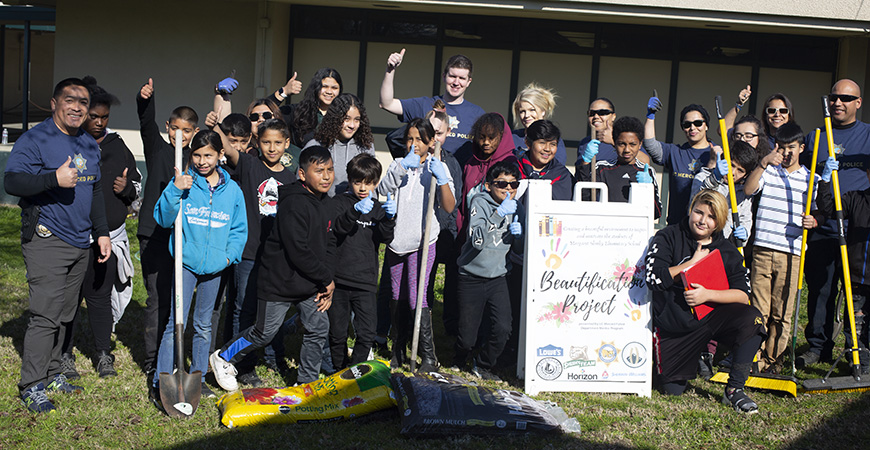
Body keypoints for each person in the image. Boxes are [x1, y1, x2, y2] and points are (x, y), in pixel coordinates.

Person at [5, 78, 111, 413]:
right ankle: (31, 384)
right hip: (47, 238)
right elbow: (12, 180)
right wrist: (53, 179)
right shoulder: (36, 139)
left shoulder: (89, 143)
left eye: (83, 101)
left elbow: (93, 190)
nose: (78, 107)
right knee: (46, 314)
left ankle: (53, 373)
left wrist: (102, 231)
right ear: (54, 103)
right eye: (70, 100)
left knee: (66, 313)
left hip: (81, 240)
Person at [211, 146, 337, 390]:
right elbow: (297, 249)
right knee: (264, 332)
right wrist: (324, 278)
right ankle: (223, 357)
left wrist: (327, 278)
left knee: (318, 328)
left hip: (310, 282)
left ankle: (306, 383)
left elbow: (329, 244)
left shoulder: (326, 205)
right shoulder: (294, 204)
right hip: (279, 282)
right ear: (301, 174)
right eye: (318, 171)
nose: (326, 176)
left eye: (330, 170)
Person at [645, 189, 764, 414]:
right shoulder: (668, 236)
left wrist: (707, 295)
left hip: (712, 319)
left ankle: (735, 390)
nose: (703, 220)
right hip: (676, 327)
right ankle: (686, 358)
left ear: (719, 222)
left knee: (753, 318)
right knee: (672, 390)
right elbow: (652, 278)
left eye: (711, 217)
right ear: (690, 210)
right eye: (699, 212)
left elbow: (742, 294)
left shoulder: (726, 249)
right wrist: (688, 265)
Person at [151, 130, 247, 404]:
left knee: (204, 324)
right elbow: (163, 218)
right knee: (175, 323)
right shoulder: (184, 183)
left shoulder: (233, 191)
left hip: (216, 266)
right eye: (197, 155)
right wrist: (175, 190)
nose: (202, 161)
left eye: (208, 155)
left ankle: (199, 377)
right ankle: (162, 378)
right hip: (186, 262)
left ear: (220, 156)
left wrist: (228, 257)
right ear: (189, 156)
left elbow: (239, 230)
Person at [59, 77, 142, 379]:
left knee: (99, 296)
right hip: (72, 237)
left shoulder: (118, 147)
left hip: (108, 237)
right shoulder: (66, 144)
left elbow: (135, 183)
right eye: (93, 116)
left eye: (104, 117)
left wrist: (126, 189)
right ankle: (65, 354)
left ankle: (103, 354)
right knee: (69, 299)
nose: (98, 122)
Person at [214, 118, 297, 387]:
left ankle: (274, 355)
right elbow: (226, 148)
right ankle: (241, 364)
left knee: (274, 308)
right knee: (243, 308)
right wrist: (217, 118)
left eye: (277, 143)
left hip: (277, 255)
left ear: (287, 144)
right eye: (265, 142)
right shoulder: (249, 165)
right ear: (256, 142)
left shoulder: (290, 177)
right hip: (249, 251)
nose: (271, 148)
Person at [377, 118, 456, 372]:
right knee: (396, 295)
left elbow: (448, 206)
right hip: (397, 240)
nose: (415, 144)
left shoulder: (438, 166)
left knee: (416, 297)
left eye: (421, 140)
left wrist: (441, 179)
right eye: (410, 139)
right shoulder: (399, 163)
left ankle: (429, 357)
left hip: (423, 240)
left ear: (432, 142)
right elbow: (382, 189)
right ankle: (398, 350)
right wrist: (400, 169)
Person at [801, 79, 870, 367]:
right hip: (823, 224)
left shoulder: (868, 136)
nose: (838, 102)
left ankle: (859, 349)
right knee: (821, 289)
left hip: (857, 231)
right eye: (834, 97)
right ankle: (818, 346)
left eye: (845, 98)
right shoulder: (815, 136)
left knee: (859, 292)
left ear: (858, 103)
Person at [743, 122, 821, 373]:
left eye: (792, 148)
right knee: (758, 307)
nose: (787, 153)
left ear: (801, 148)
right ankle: (752, 357)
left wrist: (814, 220)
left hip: (792, 253)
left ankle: (773, 360)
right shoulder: (768, 171)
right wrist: (764, 162)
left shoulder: (812, 180)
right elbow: (748, 189)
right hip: (763, 248)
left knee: (783, 310)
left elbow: (822, 212)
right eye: (782, 147)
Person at [135, 77, 200, 381]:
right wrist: (145, 100)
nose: (180, 135)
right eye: (175, 128)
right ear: (167, 127)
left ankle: (175, 356)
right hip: (155, 234)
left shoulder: (198, 161)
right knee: (157, 297)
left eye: (187, 130)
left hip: (186, 237)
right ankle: (152, 361)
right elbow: (146, 125)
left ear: (194, 132)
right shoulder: (158, 151)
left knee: (180, 300)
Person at [328, 154, 396, 369]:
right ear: (350, 180)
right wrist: (352, 213)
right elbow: (337, 229)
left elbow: (385, 238)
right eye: (358, 182)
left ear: (376, 183)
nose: (363, 188)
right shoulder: (339, 203)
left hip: (365, 281)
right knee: (337, 333)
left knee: (366, 332)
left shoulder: (377, 208)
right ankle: (338, 371)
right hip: (339, 279)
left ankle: (355, 372)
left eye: (369, 183)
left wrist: (389, 219)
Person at [814, 160, 870, 374]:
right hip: (857, 277)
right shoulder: (856, 198)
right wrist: (825, 180)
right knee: (856, 325)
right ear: (867, 174)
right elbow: (827, 208)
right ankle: (858, 365)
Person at [379, 49, 484, 155]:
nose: (456, 82)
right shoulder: (424, 105)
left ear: (468, 82)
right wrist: (390, 70)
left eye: (461, 78)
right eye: (452, 76)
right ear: (444, 76)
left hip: (460, 171)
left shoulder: (478, 115)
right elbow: (386, 103)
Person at [643, 97, 714, 225]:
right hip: (677, 225)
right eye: (687, 125)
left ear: (706, 126)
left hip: (705, 226)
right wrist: (650, 116)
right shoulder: (674, 152)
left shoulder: (717, 153)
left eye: (697, 123)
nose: (692, 128)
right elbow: (650, 144)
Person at [578, 116, 661, 218]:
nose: (627, 149)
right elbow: (585, 198)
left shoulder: (646, 172)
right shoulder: (602, 168)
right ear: (614, 143)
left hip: (635, 230)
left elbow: (657, 213)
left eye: (632, 144)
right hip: (606, 229)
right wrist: (585, 163)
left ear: (640, 145)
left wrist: (648, 189)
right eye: (622, 144)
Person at [304, 93, 375, 197]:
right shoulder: (315, 145)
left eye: (357, 120)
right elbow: (302, 184)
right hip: (322, 209)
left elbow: (371, 183)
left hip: (355, 211)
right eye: (346, 119)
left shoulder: (366, 146)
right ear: (335, 118)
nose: (352, 125)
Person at [459, 113, 518, 232]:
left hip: (499, 232)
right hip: (468, 231)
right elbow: (463, 202)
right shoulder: (471, 163)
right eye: (482, 137)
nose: (486, 142)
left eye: (491, 138)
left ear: (501, 136)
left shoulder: (510, 162)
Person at [690, 140, 759, 241]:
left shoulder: (744, 192)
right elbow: (698, 198)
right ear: (722, 159)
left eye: (740, 170)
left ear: (747, 175)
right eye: (731, 165)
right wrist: (715, 178)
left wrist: (745, 232)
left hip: (725, 245)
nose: (733, 172)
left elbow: (745, 219)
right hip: (698, 240)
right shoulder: (702, 177)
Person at [575, 98, 650, 174]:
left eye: (602, 112)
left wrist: (613, 142)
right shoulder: (584, 142)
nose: (596, 117)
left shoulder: (623, 137)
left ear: (613, 116)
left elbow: (645, 163)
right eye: (592, 113)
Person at [510, 83, 568, 164]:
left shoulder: (553, 138)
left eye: (532, 110)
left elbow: (558, 168)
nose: (526, 115)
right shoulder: (512, 137)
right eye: (522, 111)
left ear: (543, 111)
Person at [284, 68, 342, 148]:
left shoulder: (343, 116)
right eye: (324, 86)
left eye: (334, 88)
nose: (329, 91)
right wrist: (284, 92)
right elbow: (266, 111)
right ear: (316, 87)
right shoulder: (299, 111)